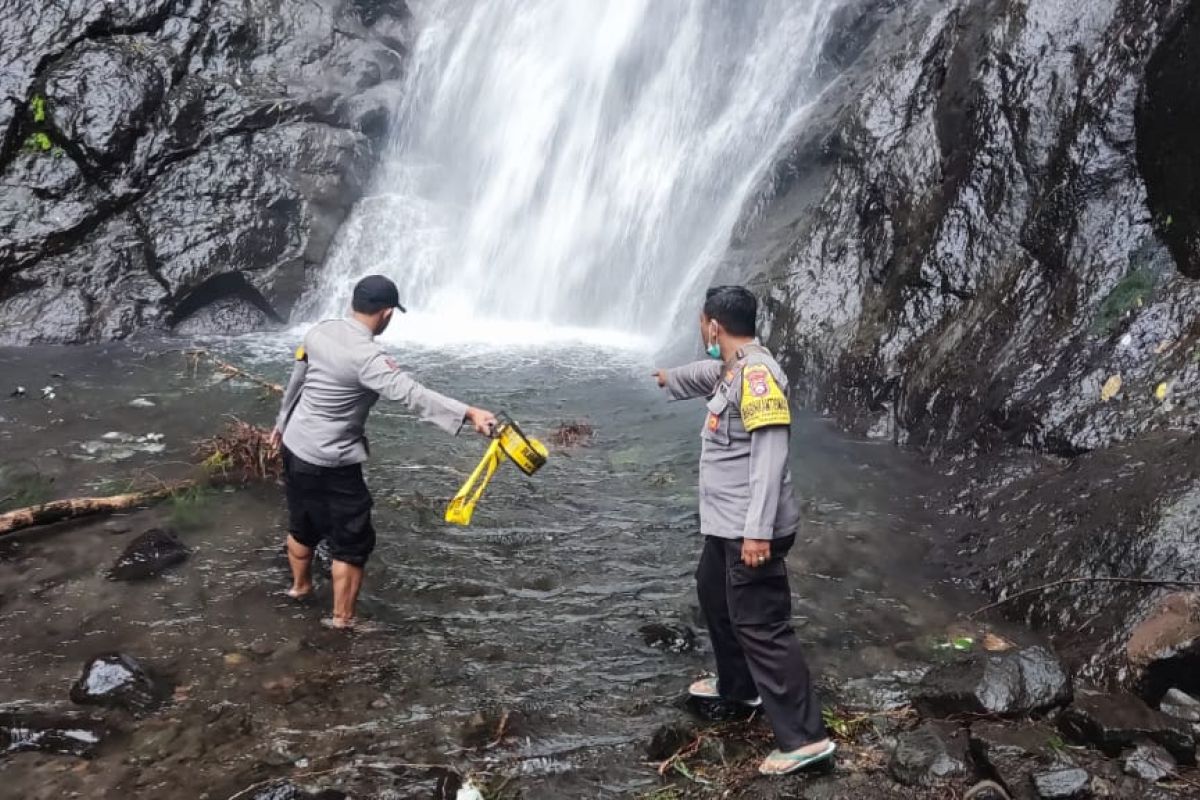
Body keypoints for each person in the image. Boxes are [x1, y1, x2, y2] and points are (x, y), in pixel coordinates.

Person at [653, 285, 834, 776]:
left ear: (714, 326)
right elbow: (706, 375)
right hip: (727, 525)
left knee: (762, 625)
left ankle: (804, 738)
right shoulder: (734, 366)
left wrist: (757, 533)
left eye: (701, 324)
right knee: (712, 591)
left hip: (751, 529)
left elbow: (770, 455)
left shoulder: (756, 377)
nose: (700, 331)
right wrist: (668, 378)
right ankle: (739, 686)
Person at [271, 275, 496, 630]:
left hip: (296, 445)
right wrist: (469, 414)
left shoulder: (320, 330)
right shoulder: (370, 358)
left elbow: (297, 376)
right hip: (332, 460)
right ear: (387, 313)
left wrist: (281, 424)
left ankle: (299, 589)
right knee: (352, 541)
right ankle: (343, 621)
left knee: (303, 522)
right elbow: (413, 395)